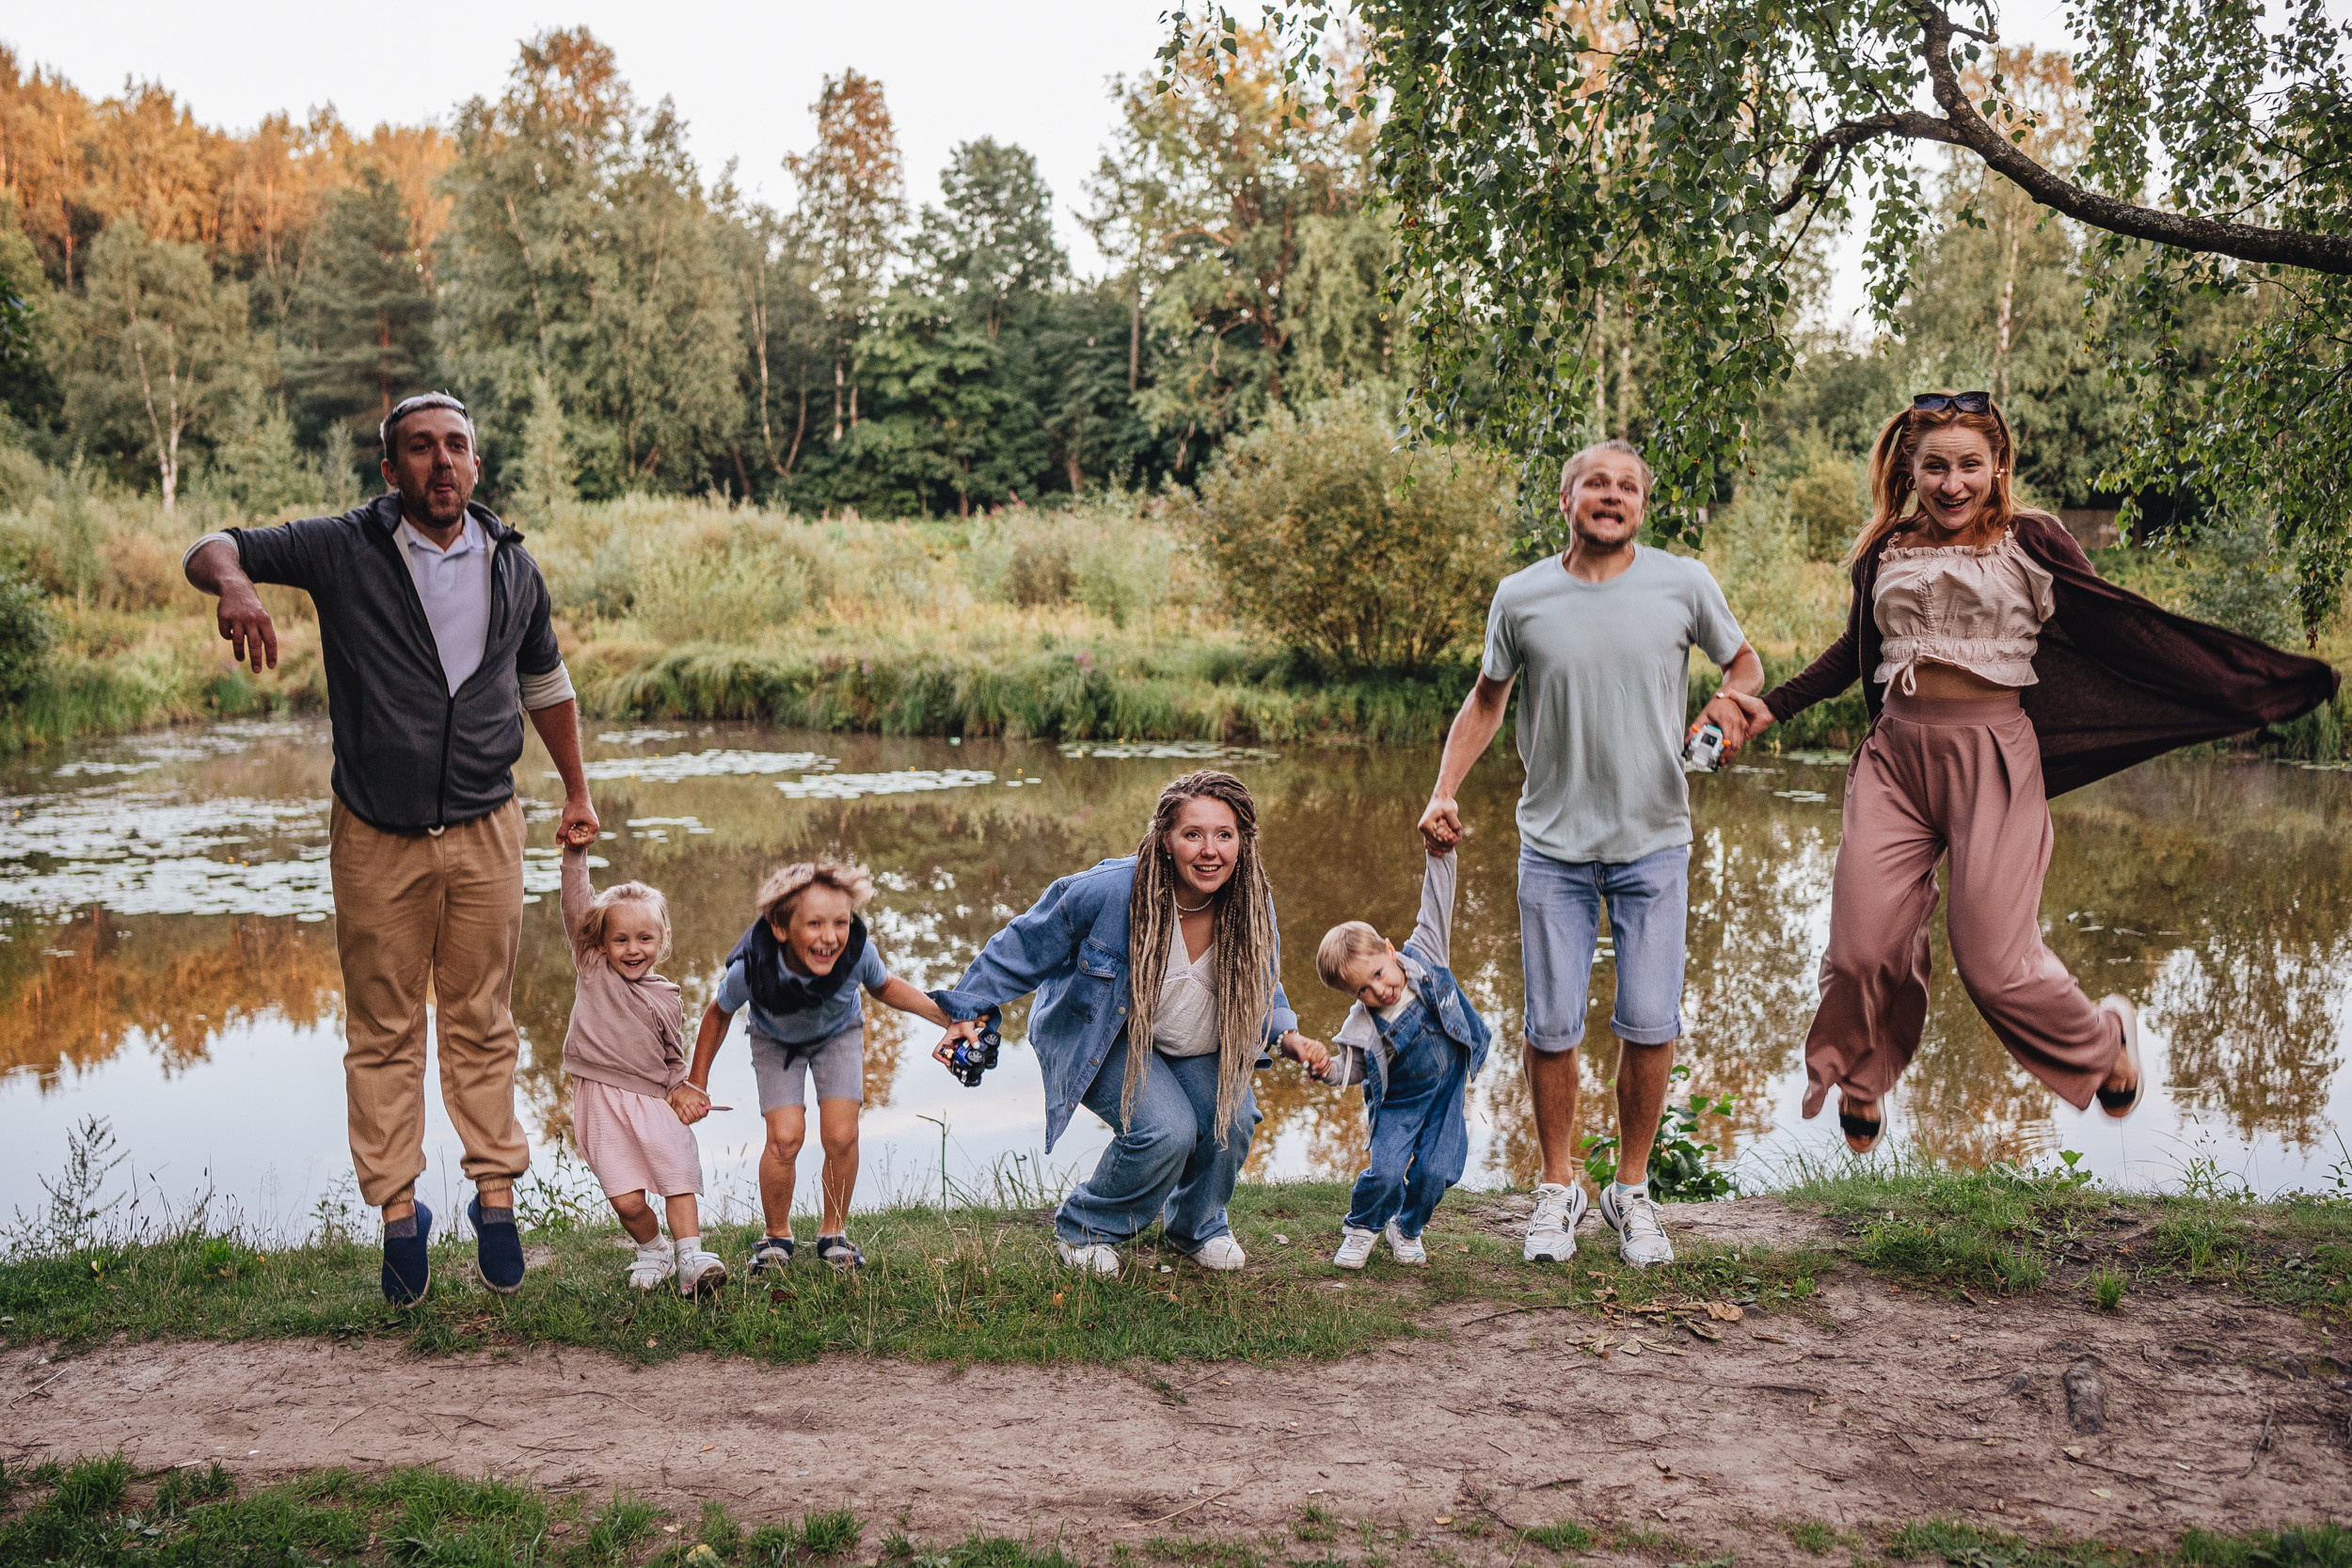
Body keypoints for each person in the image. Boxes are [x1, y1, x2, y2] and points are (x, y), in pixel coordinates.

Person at [1720, 390, 2340, 1150]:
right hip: (1895, 761)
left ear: (1999, 466)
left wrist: (2237, 683)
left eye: (1969, 465)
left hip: (1993, 761)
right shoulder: (1885, 548)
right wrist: (1769, 709)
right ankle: (1863, 1074)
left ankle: (2104, 1040)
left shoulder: (2032, 540)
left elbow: (2118, 631)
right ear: (1911, 471)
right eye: (1936, 466)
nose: (1953, 483)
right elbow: (1853, 657)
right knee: (1858, 949)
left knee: (1993, 963)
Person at [183, 392, 595, 1305]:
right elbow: (211, 544)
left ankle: (495, 1196)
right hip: (374, 831)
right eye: (420, 448)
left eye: (456, 446)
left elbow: (546, 681)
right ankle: (399, 1213)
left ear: (476, 465)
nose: (440, 462)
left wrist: (575, 786)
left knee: (482, 1014)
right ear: (390, 468)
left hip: (489, 822)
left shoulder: (513, 563)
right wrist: (238, 584)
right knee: (383, 1026)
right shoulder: (343, 548)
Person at [1420, 437, 1765, 1269]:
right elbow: (1487, 699)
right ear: (1566, 497)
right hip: (1554, 848)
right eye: (1595, 484)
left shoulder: (1684, 582)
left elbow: (1745, 662)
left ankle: (1633, 1191)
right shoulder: (1522, 594)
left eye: (1627, 487)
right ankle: (1557, 1187)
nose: (1611, 496)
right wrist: (1442, 790)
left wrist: (1728, 701)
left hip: (1655, 843)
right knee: (1552, 1027)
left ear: (1641, 505)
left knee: (1651, 1024)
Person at [929, 770, 1330, 1275]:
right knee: (1166, 1130)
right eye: (1193, 834)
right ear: (1165, 839)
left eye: (1224, 835)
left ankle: (1195, 1226)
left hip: (1192, 1038)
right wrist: (967, 1008)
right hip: (1106, 1032)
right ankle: (1085, 1228)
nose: (1210, 851)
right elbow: (1022, 947)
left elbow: (1259, 980)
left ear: (1243, 842)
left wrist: (1287, 1034)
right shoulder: (1111, 891)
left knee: (1233, 1120)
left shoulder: (1251, 902)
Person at [675, 857, 947, 1272]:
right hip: (774, 1041)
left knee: (841, 1135)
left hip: (838, 1036)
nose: (830, 938)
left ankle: (833, 1234)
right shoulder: (753, 966)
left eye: (841, 922)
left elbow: (886, 987)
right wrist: (696, 1083)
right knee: (785, 1138)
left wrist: (948, 1018)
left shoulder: (857, 953)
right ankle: (776, 1236)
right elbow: (718, 1012)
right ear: (782, 928)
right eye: (815, 924)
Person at [556, 828, 726, 1294]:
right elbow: (575, 905)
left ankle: (691, 1258)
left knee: (677, 1178)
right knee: (626, 1198)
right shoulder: (592, 967)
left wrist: (684, 1089)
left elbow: (673, 1058)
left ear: (663, 939)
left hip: (654, 1100)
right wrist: (576, 852)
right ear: (601, 942)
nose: (633, 950)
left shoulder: (666, 996)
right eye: (621, 940)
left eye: (645, 939)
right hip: (600, 1097)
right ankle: (654, 1250)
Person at [1313, 842, 1490, 1269]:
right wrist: (1326, 1069)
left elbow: (1437, 899)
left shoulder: (1426, 956)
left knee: (1438, 1171)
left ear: (1390, 951)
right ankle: (1362, 1226)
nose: (1379, 991)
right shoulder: (1364, 1024)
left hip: (1445, 1092)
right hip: (1400, 1102)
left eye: (1378, 973)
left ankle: (1406, 1228)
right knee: (1388, 1172)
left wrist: (1440, 854)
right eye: (1362, 990)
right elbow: (1351, 1069)